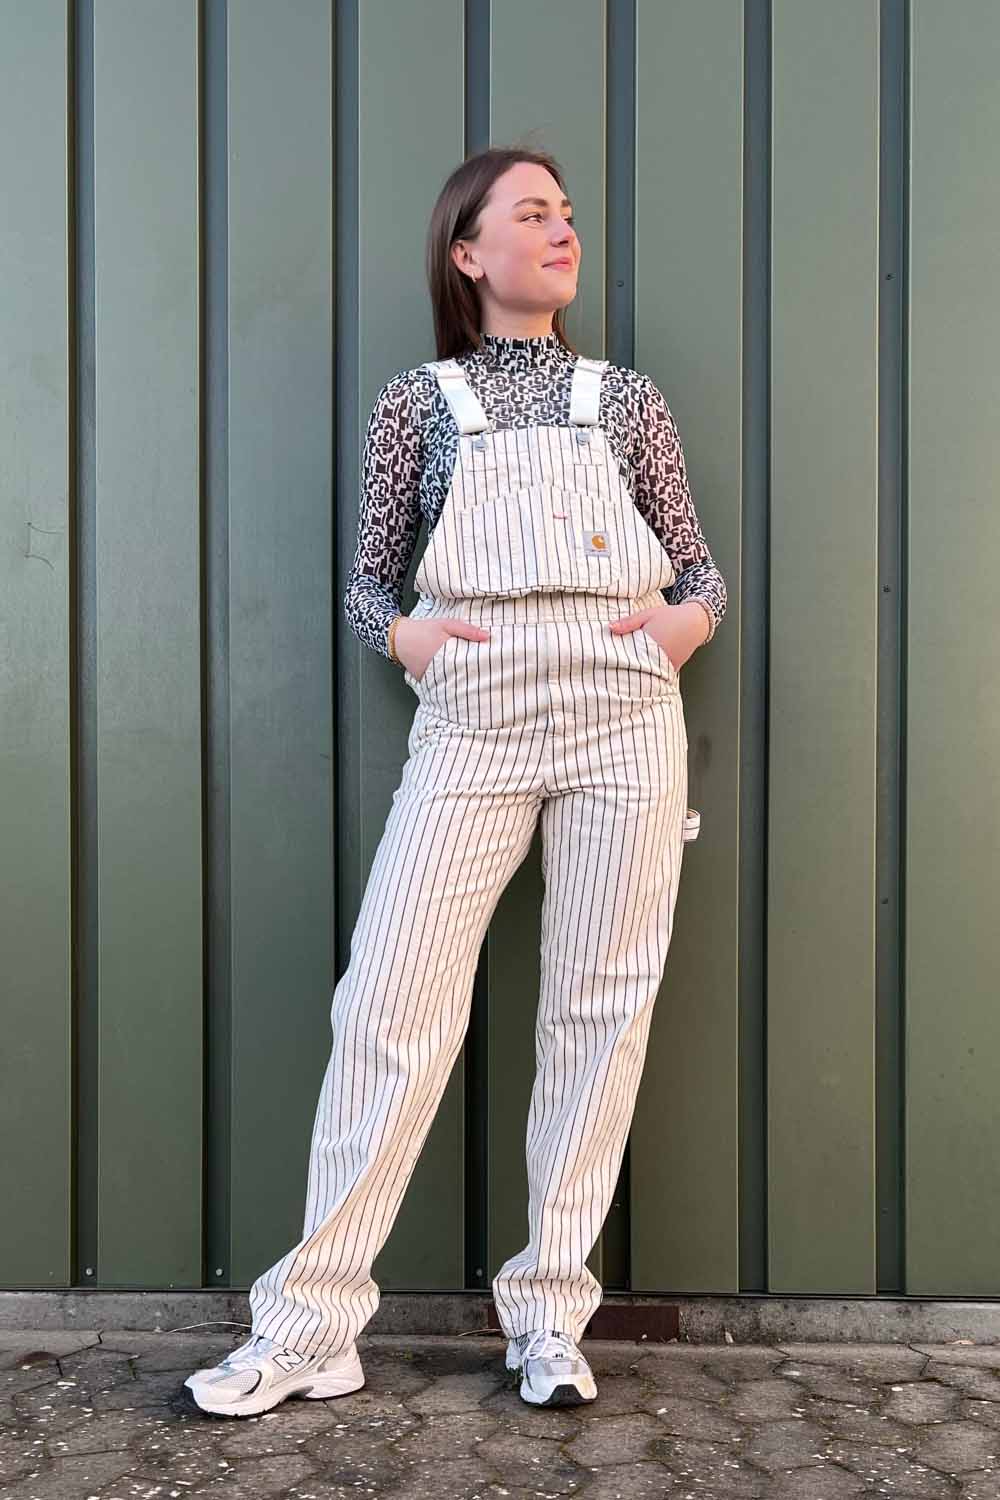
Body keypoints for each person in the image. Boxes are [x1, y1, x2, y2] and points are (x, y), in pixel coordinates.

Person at [186, 145, 726, 1420]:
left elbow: (698, 567)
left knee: (597, 1012)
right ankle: (311, 1326)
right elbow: (368, 582)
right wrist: (408, 641)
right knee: (388, 1004)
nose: (562, 230)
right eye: (531, 213)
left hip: (621, 711)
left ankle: (548, 1317)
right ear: (467, 252)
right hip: (473, 719)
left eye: (567, 213)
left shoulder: (626, 399)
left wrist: (680, 629)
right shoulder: (417, 403)